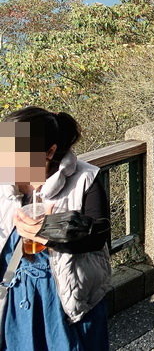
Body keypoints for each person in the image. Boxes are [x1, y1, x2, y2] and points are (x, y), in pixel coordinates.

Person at [0, 107, 112, 350]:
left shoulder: (85, 178)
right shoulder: (5, 181)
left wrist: (50, 229)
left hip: (68, 297)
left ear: (49, 151)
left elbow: (99, 233)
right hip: (15, 295)